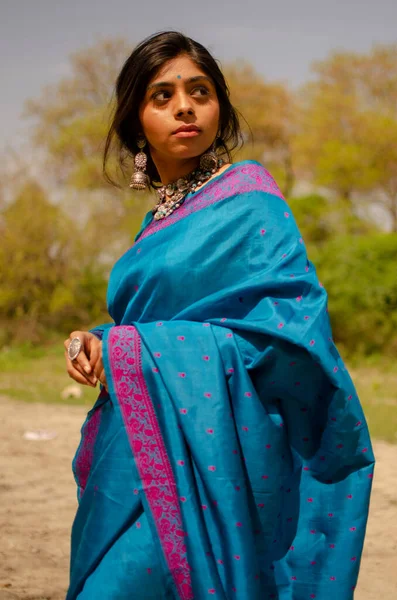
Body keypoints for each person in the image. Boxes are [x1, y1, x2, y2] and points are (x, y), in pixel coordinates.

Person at [64, 31, 374, 600]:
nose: (185, 106)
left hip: (207, 461)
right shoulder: (156, 224)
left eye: (199, 91)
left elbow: (289, 340)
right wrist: (100, 340)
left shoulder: (250, 201)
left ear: (219, 108)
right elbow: (154, 320)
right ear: (137, 121)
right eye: (162, 95)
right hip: (135, 449)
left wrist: (129, 351)